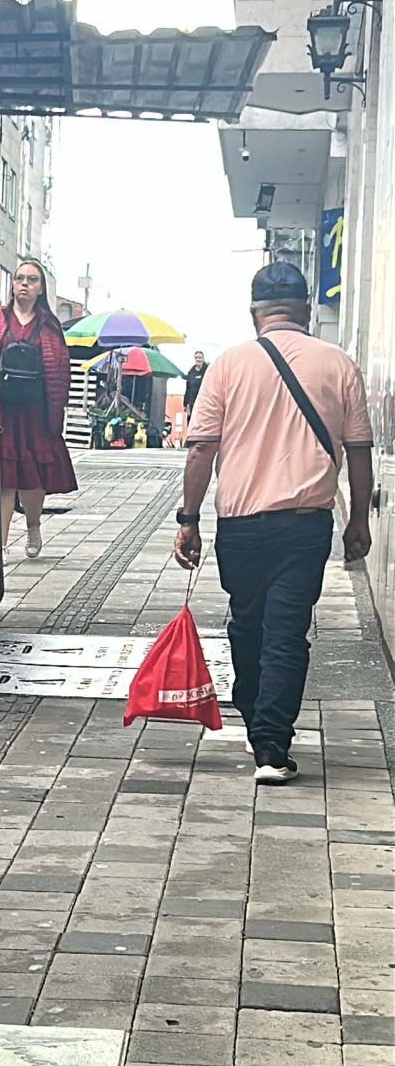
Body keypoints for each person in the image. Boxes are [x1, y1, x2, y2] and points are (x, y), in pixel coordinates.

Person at [173, 260, 373, 785]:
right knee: (287, 632)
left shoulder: (228, 364)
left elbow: (200, 450)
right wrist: (358, 520)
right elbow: (359, 450)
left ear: (254, 312)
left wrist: (188, 518)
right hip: (305, 525)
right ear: (307, 308)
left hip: (240, 523)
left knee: (246, 621)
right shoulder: (338, 363)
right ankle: (271, 744)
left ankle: (258, 722)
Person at [0, 259, 77, 564]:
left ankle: (33, 526)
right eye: (19, 278)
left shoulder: (49, 325)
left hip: (35, 411)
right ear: (12, 284)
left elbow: (60, 369)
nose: (24, 284)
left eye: (32, 279)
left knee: (34, 476)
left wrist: (57, 411)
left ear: (41, 288)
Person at [184, 350, 209, 420]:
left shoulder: (207, 370)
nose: (198, 359)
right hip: (192, 400)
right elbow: (188, 388)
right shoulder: (191, 372)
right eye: (197, 357)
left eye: (200, 358)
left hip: (204, 400)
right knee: (191, 419)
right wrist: (186, 403)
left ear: (203, 359)